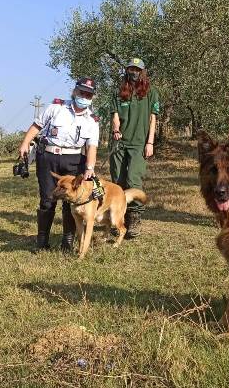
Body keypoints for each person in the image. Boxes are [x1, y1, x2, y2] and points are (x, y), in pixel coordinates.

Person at [18, 78, 100, 251]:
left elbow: (92, 146)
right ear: (75, 91)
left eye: (88, 94)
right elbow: (36, 125)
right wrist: (25, 143)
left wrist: (90, 168)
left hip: (74, 160)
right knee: (48, 199)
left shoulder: (92, 120)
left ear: (92, 97)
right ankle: (42, 242)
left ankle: (67, 242)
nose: (84, 96)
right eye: (82, 92)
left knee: (70, 201)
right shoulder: (56, 107)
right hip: (48, 157)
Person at [110, 57, 159, 239]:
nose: (134, 72)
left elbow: (153, 119)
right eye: (131, 69)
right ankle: (118, 218)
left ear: (143, 72)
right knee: (118, 181)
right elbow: (115, 115)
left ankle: (135, 218)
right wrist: (116, 129)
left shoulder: (152, 93)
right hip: (120, 143)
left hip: (139, 143)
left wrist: (150, 142)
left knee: (134, 180)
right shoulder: (119, 91)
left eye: (137, 70)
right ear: (127, 71)